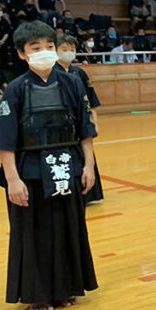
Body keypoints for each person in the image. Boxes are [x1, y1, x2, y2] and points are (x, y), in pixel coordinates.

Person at [0, 20, 99, 310]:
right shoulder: (15, 89)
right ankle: (38, 295)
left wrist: (88, 167)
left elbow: (85, 130)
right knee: (33, 232)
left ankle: (66, 290)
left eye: (49, 46)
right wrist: (13, 180)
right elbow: (5, 142)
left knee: (68, 228)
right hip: (31, 171)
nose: (45, 52)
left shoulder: (73, 82)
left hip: (68, 166)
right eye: (36, 48)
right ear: (23, 54)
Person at [56, 35, 103, 204]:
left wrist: (94, 122)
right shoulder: (53, 72)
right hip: (62, 124)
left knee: (86, 154)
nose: (69, 53)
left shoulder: (79, 72)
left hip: (81, 121)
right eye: (64, 49)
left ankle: (89, 193)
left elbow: (91, 100)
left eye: (72, 50)